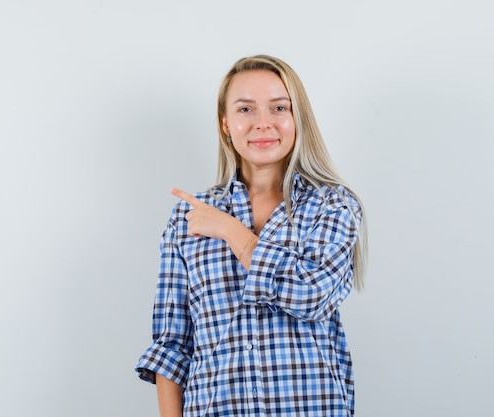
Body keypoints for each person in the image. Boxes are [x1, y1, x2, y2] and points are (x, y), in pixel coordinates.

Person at [135, 54, 368, 417]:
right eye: (245, 110)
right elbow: (172, 344)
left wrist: (231, 231)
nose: (263, 123)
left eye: (278, 108)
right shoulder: (189, 216)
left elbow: (313, 295)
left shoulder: (331, 205)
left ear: (297, 119)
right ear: (225, 123)